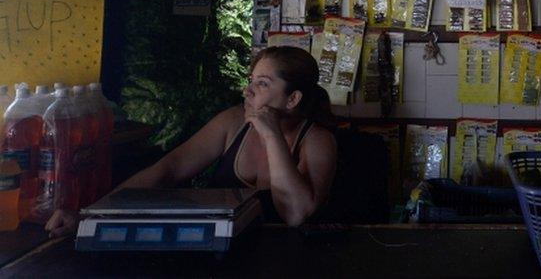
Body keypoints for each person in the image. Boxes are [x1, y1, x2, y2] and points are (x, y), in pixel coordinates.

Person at [45, 46, 338, 237]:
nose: (248, 92)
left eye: (262, 84)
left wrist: (271, 134)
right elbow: (167, 170)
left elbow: (296, 215)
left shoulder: (317, 140)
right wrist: (89, 215)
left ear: (293, 99)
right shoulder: (232, 122)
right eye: (250, 81)